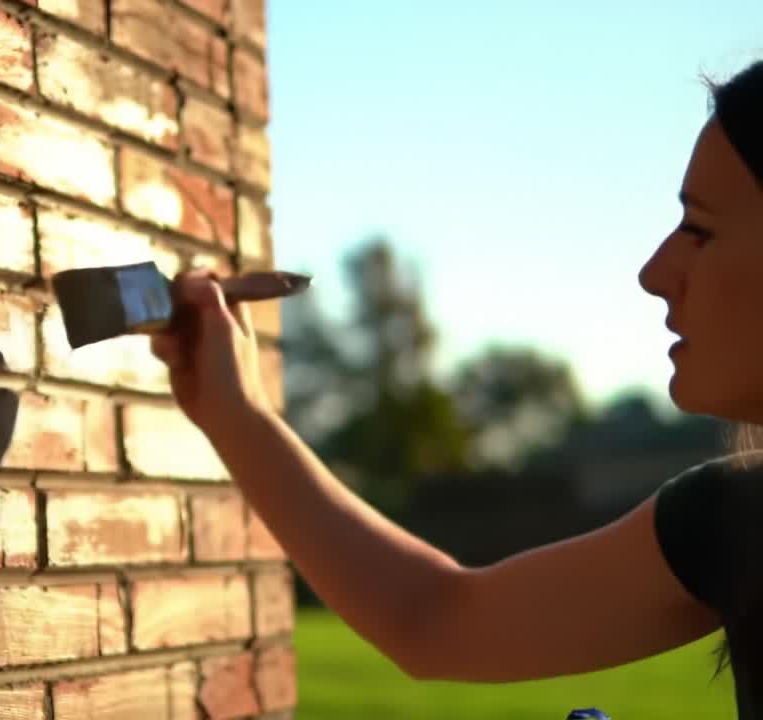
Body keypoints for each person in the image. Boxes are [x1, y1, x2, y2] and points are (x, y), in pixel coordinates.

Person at [149, 59, 763, 719]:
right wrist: (233, 412)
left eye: (698, 229)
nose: (655, 272)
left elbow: (431, 618)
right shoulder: (732, 518)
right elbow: (434, 619)